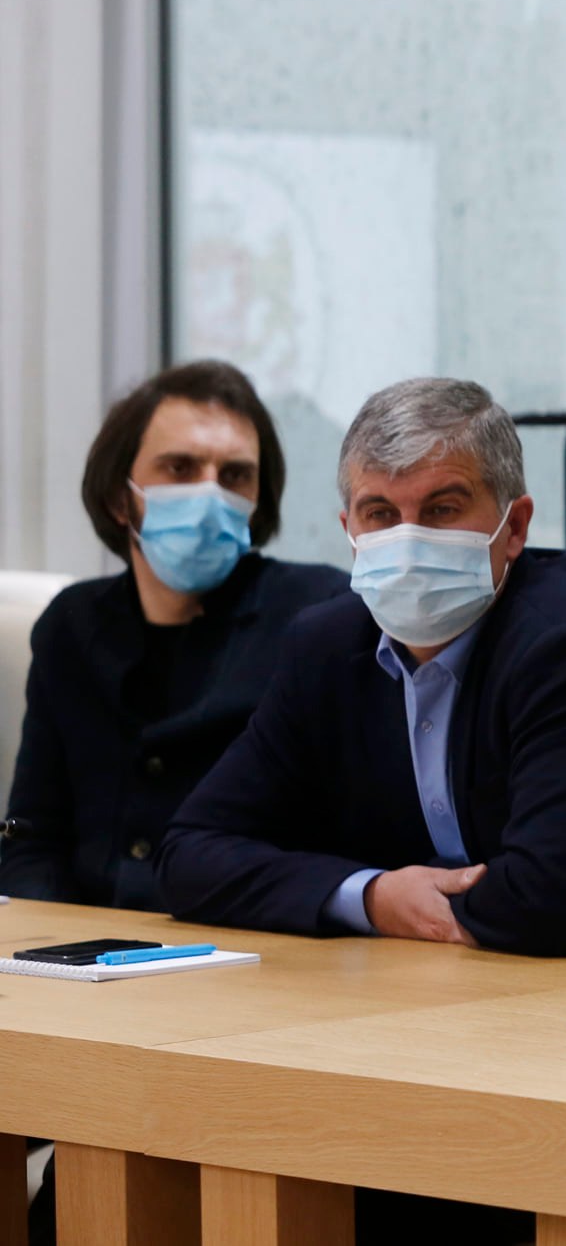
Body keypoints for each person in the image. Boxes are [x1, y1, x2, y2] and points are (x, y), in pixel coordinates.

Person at [157, 377, 566, 964]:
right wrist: (373, 897)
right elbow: (189, 856)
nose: (408, 539)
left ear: (515, 528)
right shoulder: (325, 646)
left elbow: (554, 902)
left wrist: (404, 906)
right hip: (425, 984)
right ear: (349, 532)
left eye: (441, 509)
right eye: (380, 514)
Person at [1, 361, 349, 910]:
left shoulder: (317, 614)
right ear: (120, 498)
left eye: (234, 476)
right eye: (180, 468)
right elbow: (32, 839)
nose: (210, 494)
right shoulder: (71, 624)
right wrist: (51, 944)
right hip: (81, 941)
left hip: (245, 934)